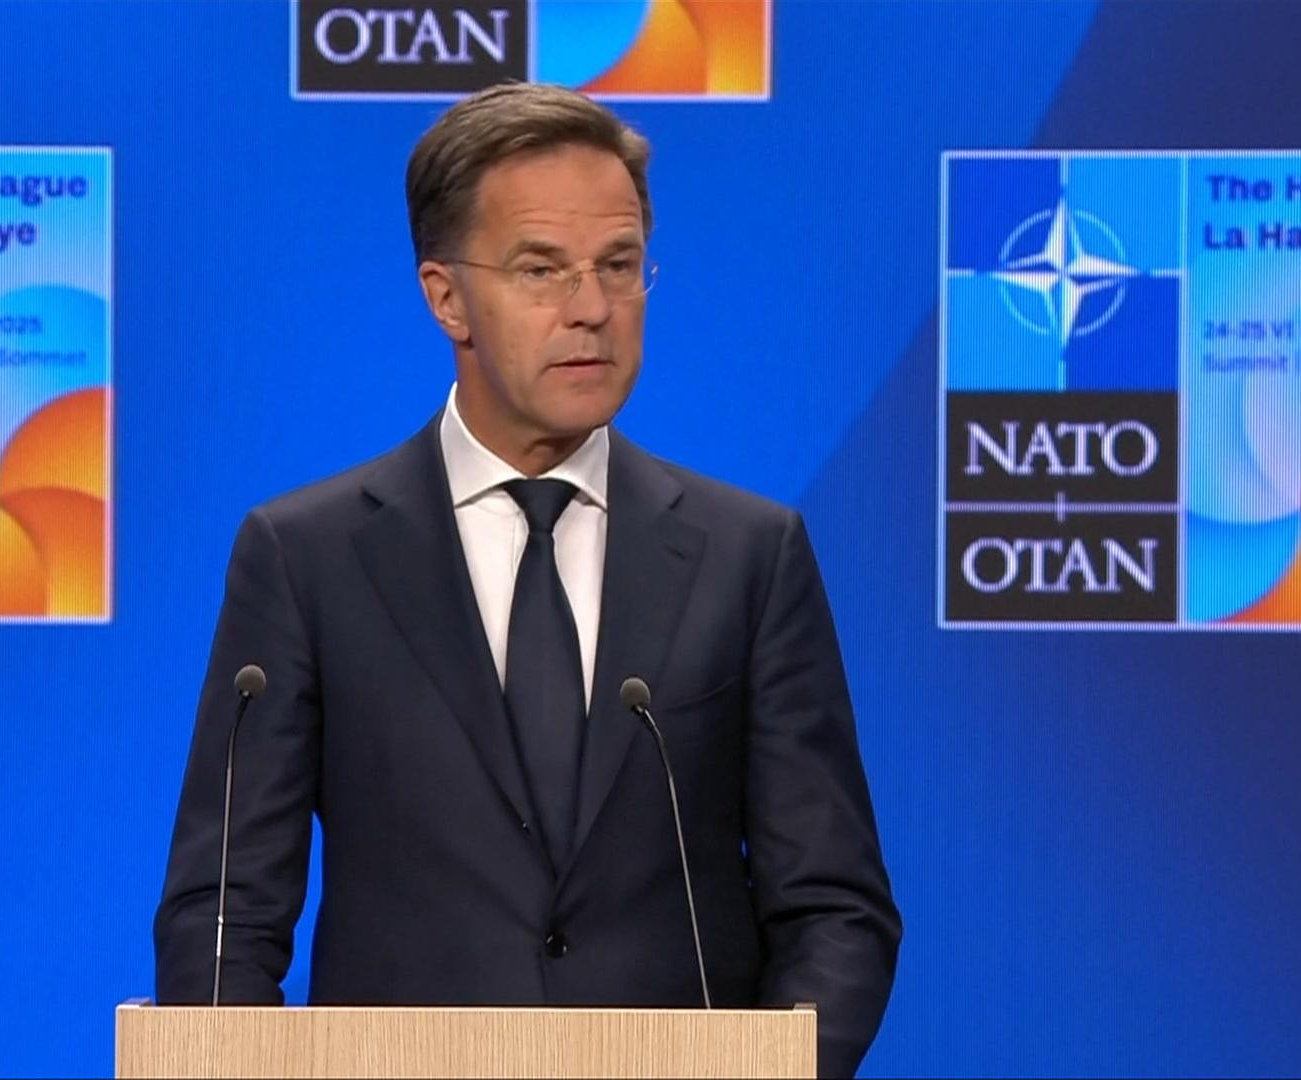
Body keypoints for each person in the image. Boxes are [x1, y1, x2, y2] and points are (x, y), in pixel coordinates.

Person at [155, 82, 901, 1078]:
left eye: (619, 266)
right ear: (446, 296)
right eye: (541, 269)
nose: (591, 309)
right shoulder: (307, 557)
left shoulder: (749, 556)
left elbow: (835, 908)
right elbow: (224, 911)